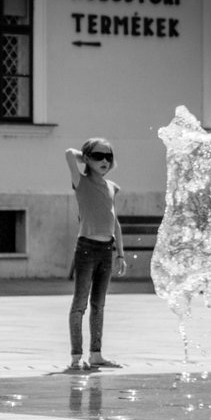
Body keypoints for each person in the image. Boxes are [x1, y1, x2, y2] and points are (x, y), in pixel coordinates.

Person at [65, 139, 127, 370]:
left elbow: (115, 222)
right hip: (86, 249)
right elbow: (69, 154)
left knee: (99, 305)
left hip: (105, 251)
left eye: (108, 157)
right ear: (88, 158)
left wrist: (120, 253)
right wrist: (87, 157)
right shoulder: (80, 182)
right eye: (99, 156)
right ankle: (75, 356)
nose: (104, 161)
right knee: (80, 303)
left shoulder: (112, 187)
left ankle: (96, 355)